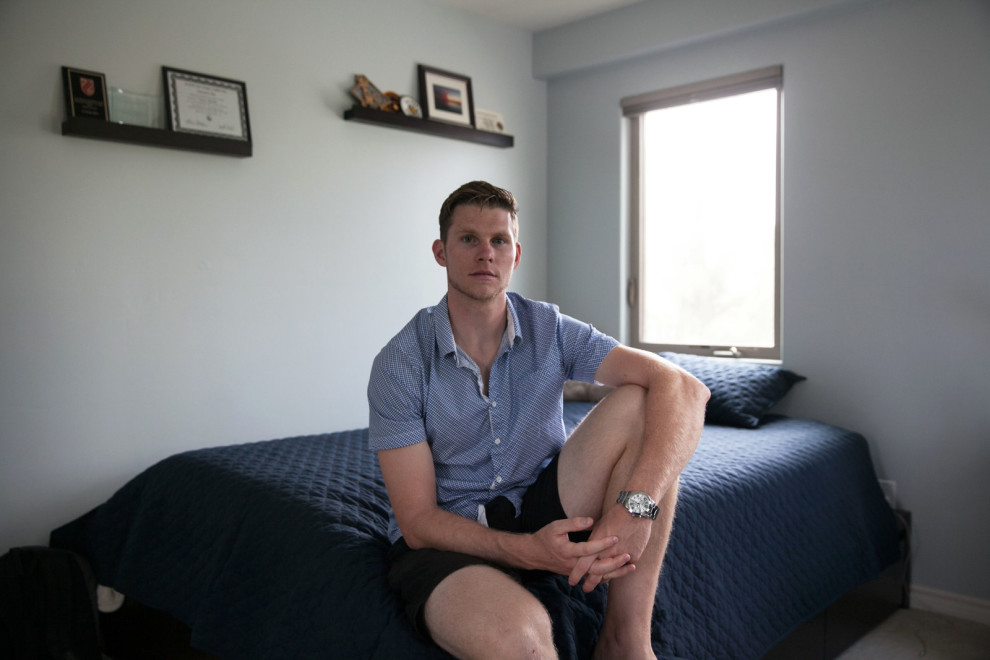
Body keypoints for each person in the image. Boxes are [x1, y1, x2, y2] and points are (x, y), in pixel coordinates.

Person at [368, 181, 709, 660]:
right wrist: (529, 550)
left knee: (644, 404)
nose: (486, 253)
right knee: (523, 646)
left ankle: (625, 641)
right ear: (441, 252)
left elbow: (687, 388)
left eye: (499, 240)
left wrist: (637, 508)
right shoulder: (400, 363)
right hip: (448, 536)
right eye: (468, 239)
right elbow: (419, 522)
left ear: (516, 254)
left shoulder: (548, 328)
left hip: (540, 500)